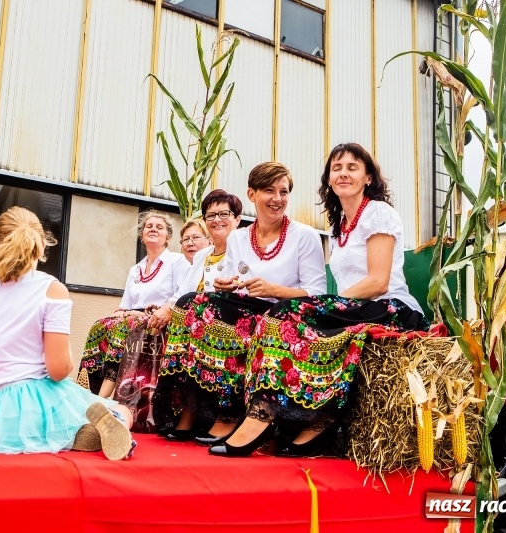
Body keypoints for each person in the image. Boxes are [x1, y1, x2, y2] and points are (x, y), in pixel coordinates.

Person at [209, 142, 427, 458]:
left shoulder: (378, 213)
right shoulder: (338, 225)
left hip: (391, 307)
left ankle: (266, 418)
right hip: (357, 305)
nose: (343, 173)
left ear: (368, 178)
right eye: (336, 168)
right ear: (328, 179)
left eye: (352, 167)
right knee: (284, 315)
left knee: (287, 312)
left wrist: (326, 302)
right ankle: (301, 417)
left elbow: (378, 282)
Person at [0, 207, 135, 459]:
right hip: (30, 401)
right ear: (41, 246)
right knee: (122, 408)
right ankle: (100, 424)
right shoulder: (51, 289)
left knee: (50, 414)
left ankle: (74, 432)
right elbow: (58, 369)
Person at [161, 163, 328, 445]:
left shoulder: (305, 236)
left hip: (283, 312)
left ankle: (227, 414)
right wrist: (224, 284)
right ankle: (190, 408)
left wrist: (274, 289)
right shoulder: (239, 238)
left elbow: (317, 294)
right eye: (268, 190)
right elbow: (234, 278)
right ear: (252, 194)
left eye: (283, 191)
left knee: (217, 313)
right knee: (190, 302)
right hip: (246, 306)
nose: (277, 198)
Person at [148, 189, 243, 438]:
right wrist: (167, 309)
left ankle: (209, 415)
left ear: (237, 219)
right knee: (184, 308)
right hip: (197, 317)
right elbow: (183, 291)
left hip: (229, 312)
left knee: (195, 311)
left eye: (224, 214)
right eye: (210, 215)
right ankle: (188, 410)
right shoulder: (202, 256)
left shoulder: (243, 249)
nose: (217, 220)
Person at [80, 210, 190, 398]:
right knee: (99, 326)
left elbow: (182, 296)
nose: (153, 229)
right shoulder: (136, 269)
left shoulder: (176, 262)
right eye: (149, 226)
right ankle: (87, 390)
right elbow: (125, 305)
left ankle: (102, 398)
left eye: (159, 227)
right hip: (134, 317)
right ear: (142, 236)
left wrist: (147, 314)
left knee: (125, 327)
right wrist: (122, 313)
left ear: (168, 237)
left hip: (160, 318)